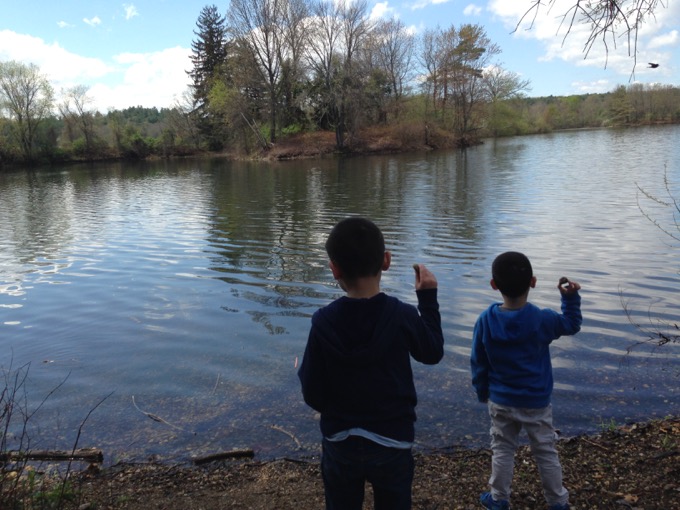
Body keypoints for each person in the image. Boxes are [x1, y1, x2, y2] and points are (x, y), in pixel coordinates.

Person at [298, 217, 445, 510]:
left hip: (340, 440)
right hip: (393, 438)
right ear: (386, 261)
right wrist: (427, 299)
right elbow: (432, 352)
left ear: (334, 268)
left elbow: (312, 391)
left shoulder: (323, 321)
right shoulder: (401, 315)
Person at [470, 251, 582, 510]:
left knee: (502, 449)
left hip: (500, 400)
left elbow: (478, 361)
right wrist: (570, 298)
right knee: (545, 450)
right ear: (533, 281)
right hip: (536, 402)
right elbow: (571, 324)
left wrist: (481, 391)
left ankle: (498, 499)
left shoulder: (485, 320)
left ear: (494, 285)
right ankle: (557, 502)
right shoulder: (542, 319)